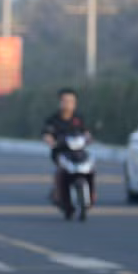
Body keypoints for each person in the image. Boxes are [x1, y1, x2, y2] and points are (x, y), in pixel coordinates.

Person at [41, 88, 93, 216]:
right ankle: (60, 195)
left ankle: (92, 195)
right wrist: (50, 140)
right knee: (61, 172)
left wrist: (88, 137)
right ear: (60, 102)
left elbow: (86, 132)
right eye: (65, 101)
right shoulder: (53, 119)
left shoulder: (79, 118)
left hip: (78, 152)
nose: (68, 104)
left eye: (71, 101)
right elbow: (47, 134)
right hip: (61, 153)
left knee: (91, 168)